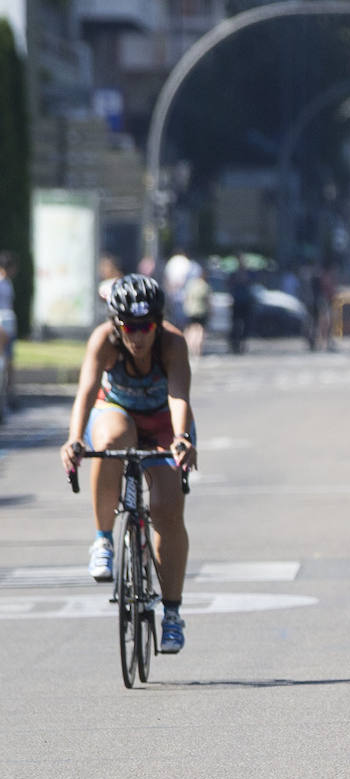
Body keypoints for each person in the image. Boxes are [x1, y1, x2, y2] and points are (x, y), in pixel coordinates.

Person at [59, 275, 198, 653]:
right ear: (116, 324)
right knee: (108, 442)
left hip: (163, 419)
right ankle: (103, 540)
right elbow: (86, 393)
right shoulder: (104, 341)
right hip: (117, 412)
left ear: (158, 322)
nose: (137, 336)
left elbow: (179, 396)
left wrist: (182, 439)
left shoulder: (172, 343)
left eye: (145, 326)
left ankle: (171, 614)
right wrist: (74, 440)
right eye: (128, 327)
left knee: (167, 510)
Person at [0, 251, 18, 413]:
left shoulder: (8, 283)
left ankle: (8, 395)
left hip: (9, 324)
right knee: (3, 361)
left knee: (9, 361)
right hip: (2, 325)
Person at [181, 266, 211, 358]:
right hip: (201, 310)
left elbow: (186, 297)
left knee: (190, 329)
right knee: (200, 329)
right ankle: (198, 349)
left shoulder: (191, 285)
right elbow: (208, 301)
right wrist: (210, 311)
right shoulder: (205, 286)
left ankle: (188, 347)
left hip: (190, 310)